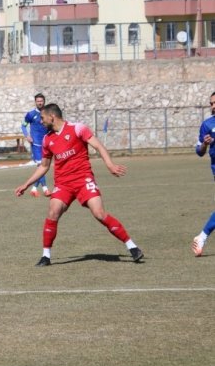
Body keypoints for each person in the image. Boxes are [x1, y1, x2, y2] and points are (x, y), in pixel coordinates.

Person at [14, 103, 144, 266]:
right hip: (63, 184)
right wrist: (26, 184)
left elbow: (98, 146)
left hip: (83, 179)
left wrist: (110, 165)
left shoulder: (78, 128)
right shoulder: (48, 139)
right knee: (53, 213)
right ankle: (45, 256)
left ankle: (132, 247)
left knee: (99, 213)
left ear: (52, 116)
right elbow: (44, 166)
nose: (40, 121)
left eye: (42, 117)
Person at [191, 91, 215, 256]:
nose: (213, 106)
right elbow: (199, 152)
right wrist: (205, 145)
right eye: (211, 103)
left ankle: (201, 236)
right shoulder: (207, 125)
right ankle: (202, 236)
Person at [21, 93, 51, 197]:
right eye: (38, 101)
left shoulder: (48, 113)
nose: (40, 102)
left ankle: (34, 189)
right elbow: (23, 126)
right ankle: (45, 189)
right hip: (36, 145)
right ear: (35, 102)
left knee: (44, 166)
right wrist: (27, 136)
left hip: (47, 144)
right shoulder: (30, 114)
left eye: (41, 101)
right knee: (41, 166)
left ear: (44, 102)